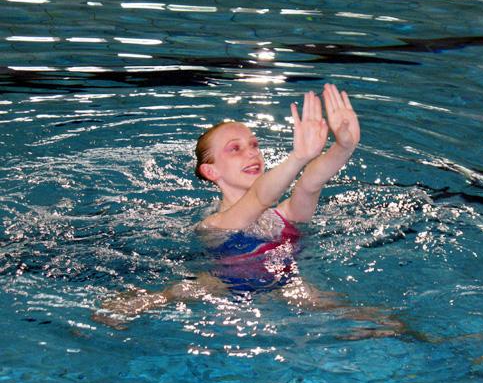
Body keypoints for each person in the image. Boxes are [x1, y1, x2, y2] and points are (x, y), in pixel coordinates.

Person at [94, 84, 408, 339]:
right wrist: (298, 157)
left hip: (288, 286)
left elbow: (311, 184)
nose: (252, 153)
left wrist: (344, 146)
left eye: (254, 145)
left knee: (386, 323)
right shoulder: (216, 222)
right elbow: (258, 197)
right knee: (187, 289)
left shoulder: (284, 215)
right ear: (211, 171)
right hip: (222, 285)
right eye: (235, 149)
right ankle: (139, 300)